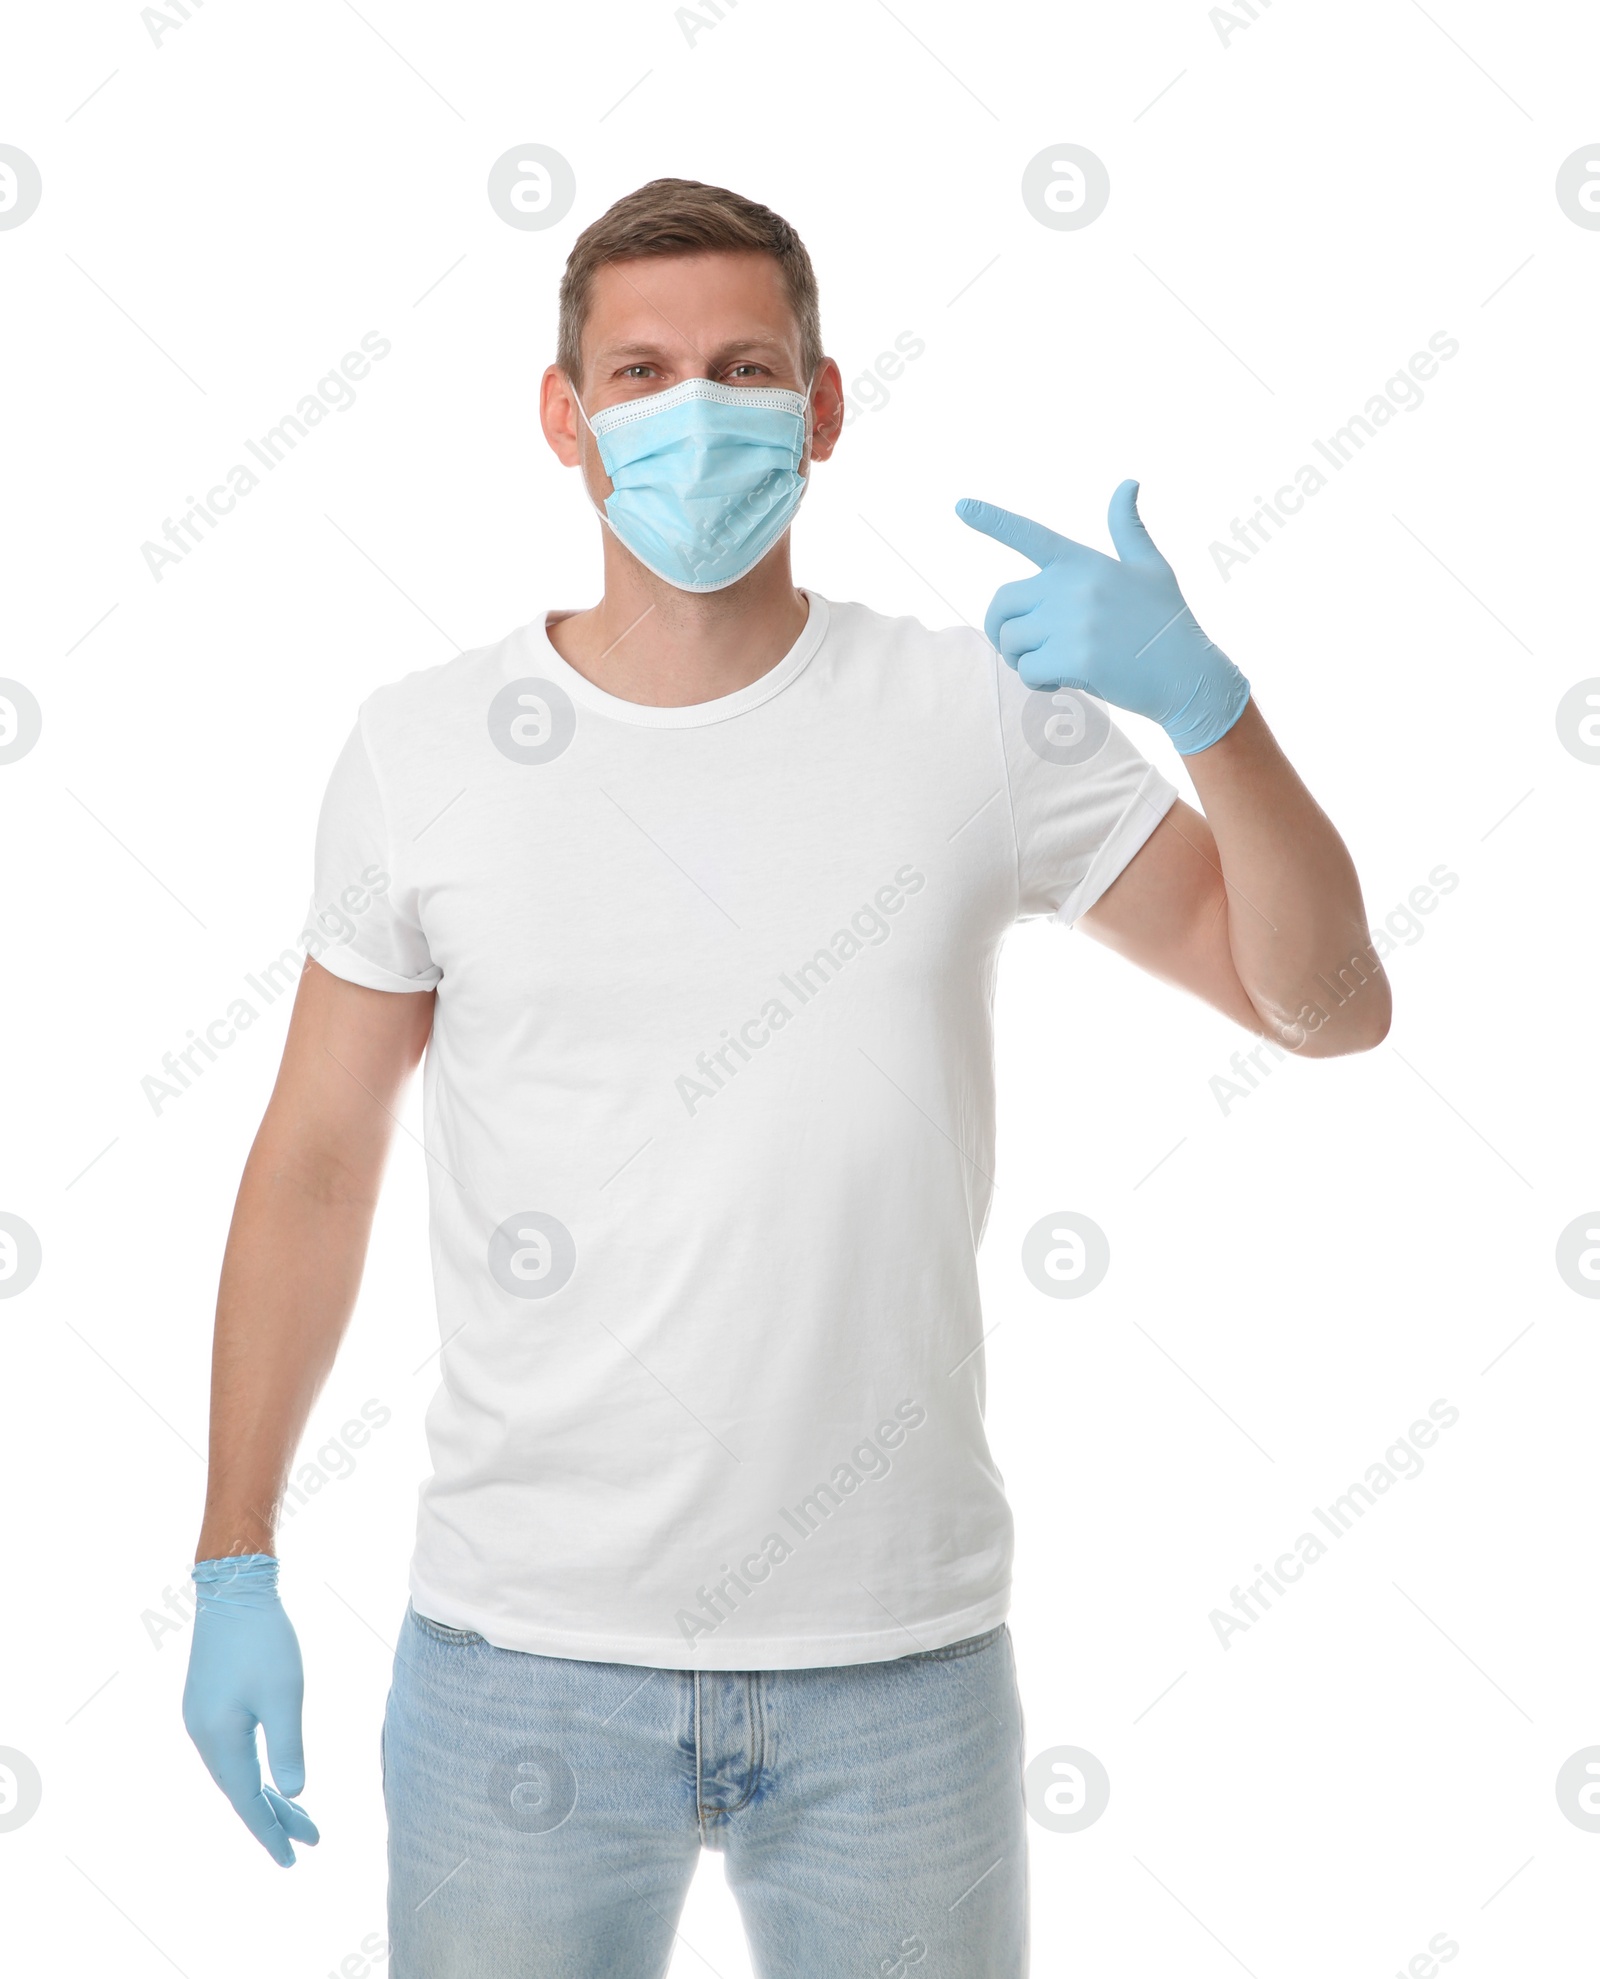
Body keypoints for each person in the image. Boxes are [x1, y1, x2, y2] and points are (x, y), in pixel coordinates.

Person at [181, 177, 1391, 1976]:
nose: (693, 411)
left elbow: (1325, 1007)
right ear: (562, 415)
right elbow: (315, 1166)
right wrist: (234, 1560)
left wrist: (1214, 713)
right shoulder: (425, 748)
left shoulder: (971, 716)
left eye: (744, 367)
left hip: (895, 1676)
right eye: (642, 371)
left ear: (822, 412)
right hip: (524, 1665)